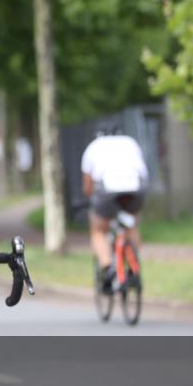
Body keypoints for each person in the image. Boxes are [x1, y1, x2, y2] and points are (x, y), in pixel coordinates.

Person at [80, 124, 148, 292]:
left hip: (108, 189)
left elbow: (88, 186)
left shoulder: (93, 147)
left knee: (99, 230)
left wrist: (92, 203)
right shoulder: (130, 142)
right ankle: (134, 265)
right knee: (131, 223)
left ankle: (107, 267)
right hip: (136, 187)